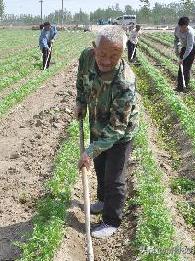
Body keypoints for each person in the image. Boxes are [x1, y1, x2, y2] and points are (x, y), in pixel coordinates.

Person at [76, 25, 139, 238]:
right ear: (94, 48)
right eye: (102, 54)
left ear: (122, 53)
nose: (106, 60)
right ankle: (103, 201)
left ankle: (112, 220)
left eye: (114, 55)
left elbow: (117, 127)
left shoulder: (125, 82)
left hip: (120, 132)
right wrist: (81, 102)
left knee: (114, 176)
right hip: (97, 120)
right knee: (100, 166)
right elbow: (81, 81)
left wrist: (90, 150)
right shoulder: (86, 57)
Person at [174, 16, 195, 92]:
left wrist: (182, 58)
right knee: (180, 67)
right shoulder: (177, 28)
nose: (182, 29)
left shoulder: (190, 32)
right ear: (179, 25)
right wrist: (177, 49)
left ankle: (185, 87)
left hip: (192, 47)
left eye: (184, 27)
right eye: (181, 27)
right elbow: (176, 39)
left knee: (186, 67)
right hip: (184, 46)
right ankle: (179, 87)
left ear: (187, 26)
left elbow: (189, 47)